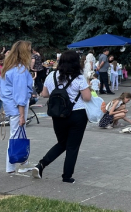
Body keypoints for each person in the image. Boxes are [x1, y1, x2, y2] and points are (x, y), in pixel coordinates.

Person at [32, 50, 92, 183]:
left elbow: (44, 94)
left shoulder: (52, 76)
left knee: (62, 143)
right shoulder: (79, 78)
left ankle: (41, 165)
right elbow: (87, 98)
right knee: (72, 146)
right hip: (77, 114)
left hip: (57, 114)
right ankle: (67, 176)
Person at [0, 41, 34, 173]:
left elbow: (1, 88)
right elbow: (20, 94)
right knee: (16, 136)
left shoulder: (8, 68)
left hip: (10, 106)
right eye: (29, 50)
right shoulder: (20, 70)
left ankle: (21, 163)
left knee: (17, 135)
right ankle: (14, 166)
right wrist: (22, 115)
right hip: (17, 107)